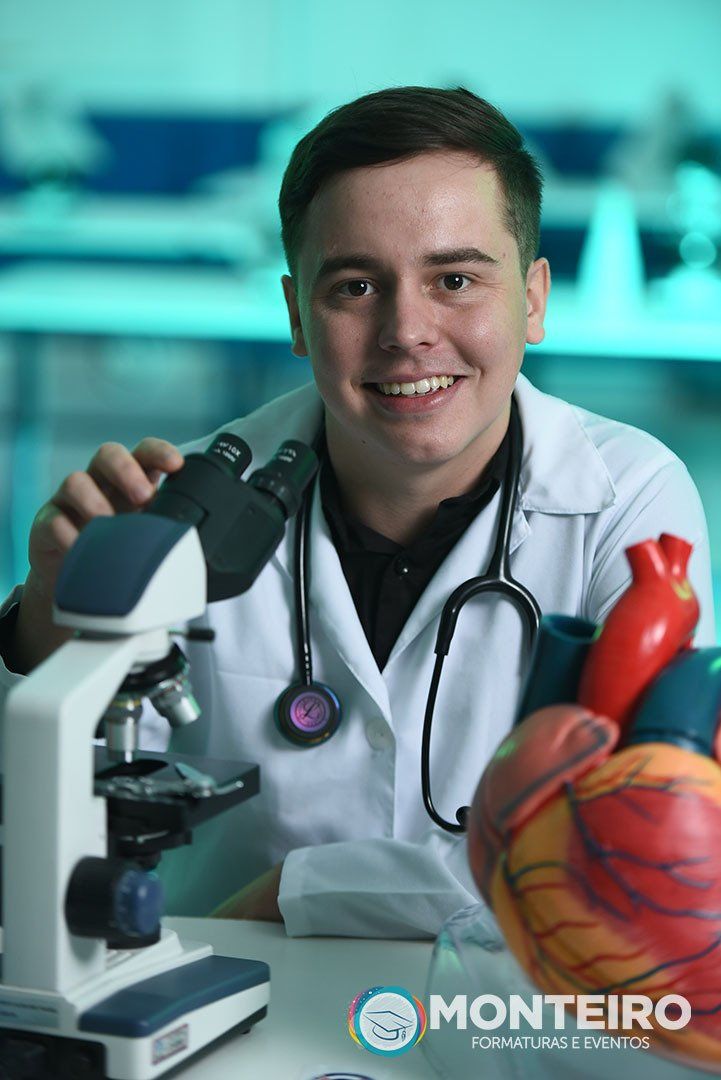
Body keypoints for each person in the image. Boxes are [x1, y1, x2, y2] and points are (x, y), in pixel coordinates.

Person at [0, 87, 715, 938]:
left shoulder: (625, 497)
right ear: (297, 316)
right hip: (228, 985)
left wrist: (304, 889)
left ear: (531, 300)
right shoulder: (186, 504)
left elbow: (643, 829)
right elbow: (63, 803)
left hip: (492, 1000)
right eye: (354, 285)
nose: (405, 330)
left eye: (454, 279)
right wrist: (48, 618)